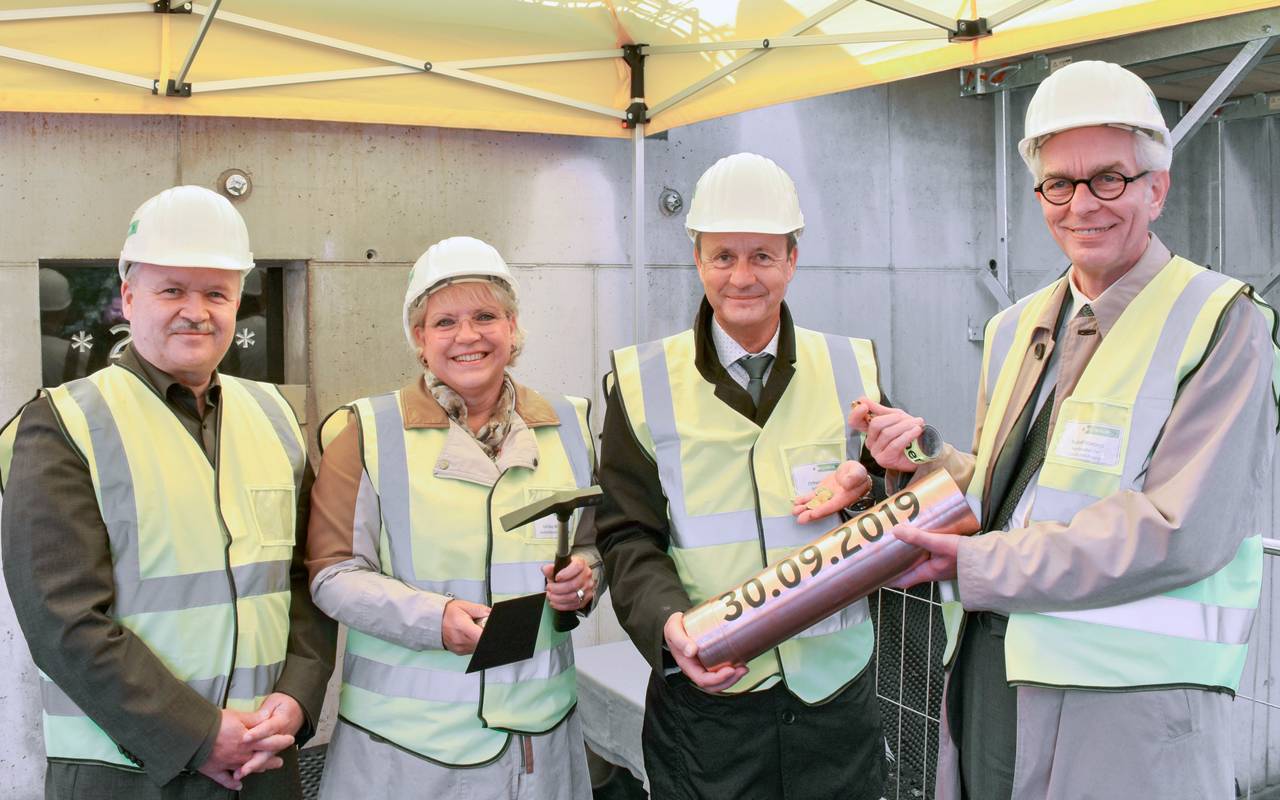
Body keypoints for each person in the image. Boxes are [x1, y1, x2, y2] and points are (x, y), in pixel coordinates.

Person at [850, 61, 1280, 799]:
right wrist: (926, 457)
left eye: (1108, 177)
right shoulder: (1018, 324)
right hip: (992, 674)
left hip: (1127, 718)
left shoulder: (1224, 323)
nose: (1082, 204)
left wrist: (975, 568)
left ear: (1156, 187)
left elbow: (1180, 530)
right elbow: (1013, 495)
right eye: (1059, 182)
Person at [0, 185, 337, 798]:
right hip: (126, 770)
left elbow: (303, 576)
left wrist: (298, 696)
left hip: (264, 761)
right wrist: (199, 734)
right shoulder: (63, 422)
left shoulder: (275, 416)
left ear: (238, 302)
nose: (196, 311)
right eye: (172, 290)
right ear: (129, 297)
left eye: (216, 292)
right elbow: (63, 621)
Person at [596, 152, 894, 799]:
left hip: (833, 698)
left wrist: (873, 484)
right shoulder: (643, 383)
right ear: (697, 258)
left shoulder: (852, 367)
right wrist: (668, 623)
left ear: (792, 257)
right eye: (723, 256)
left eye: (761, 256)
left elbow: (893, 508)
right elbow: (626, 536)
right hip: (709, 708)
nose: (742, 276)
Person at [306, 235, 602, 799]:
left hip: (542, 742)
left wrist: (586, 580)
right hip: (408, 753)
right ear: (419, 339)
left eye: (486, 316)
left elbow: (593, 545)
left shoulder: (571, 423)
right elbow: (331, 574)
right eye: (445, 322)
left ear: (512, 329)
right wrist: (432, 618)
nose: (468, 336)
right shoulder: (366, 433)